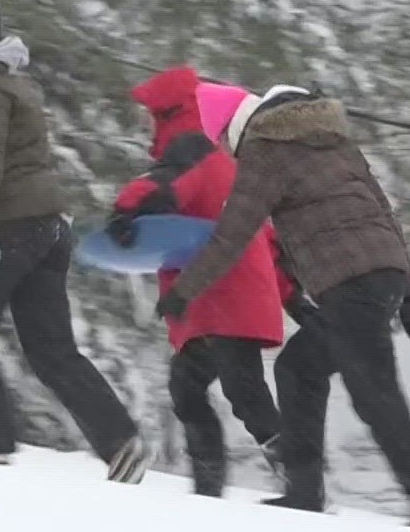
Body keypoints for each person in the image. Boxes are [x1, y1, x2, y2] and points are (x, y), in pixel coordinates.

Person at [156, 84, 410, 529]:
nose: (225, 150)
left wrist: (184, 290)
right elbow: (381, 213)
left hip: (350, 283)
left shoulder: (266, 149)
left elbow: (233, 234)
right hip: (381, 274)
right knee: (299, 368)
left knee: (374, 393)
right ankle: (305, 489)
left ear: (232, 128)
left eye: (221, 140)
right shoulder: (335, 142)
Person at [0, 0, 150, 483]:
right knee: (51, 348)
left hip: (11, 231)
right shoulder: (9, 88)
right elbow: (10, 171)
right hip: (46, 228)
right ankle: (120, 441)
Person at [103, 67, 287, 496]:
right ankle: (210, 487)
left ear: (167, 111)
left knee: (242, 391)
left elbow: (162, 186)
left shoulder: (191, 146)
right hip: (223, 293)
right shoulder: (217, 155)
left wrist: (126, 212)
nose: (144, 123)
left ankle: (301, 478)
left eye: (149, 114)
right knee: (192, 388)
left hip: (225, 293)